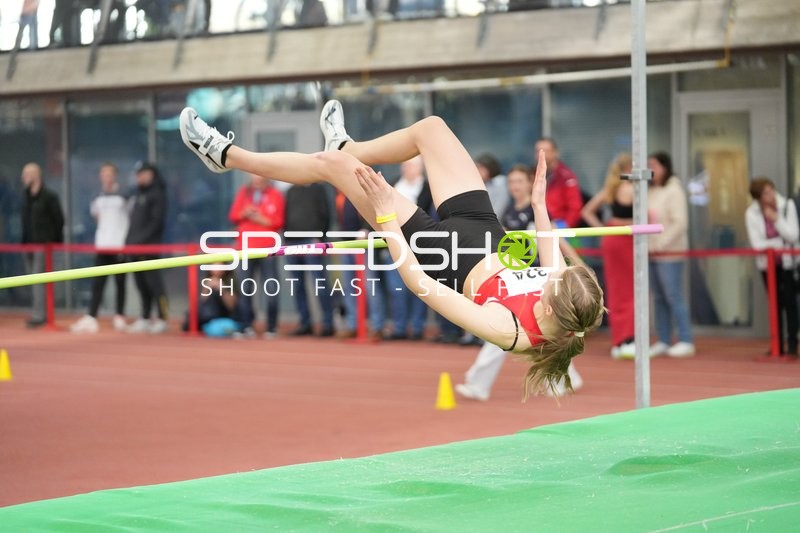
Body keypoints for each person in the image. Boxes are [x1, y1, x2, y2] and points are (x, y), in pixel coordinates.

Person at [180, 102, 605, 396]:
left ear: (549, 312)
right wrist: (538, 203)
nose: (555, 275)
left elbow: (420, 284)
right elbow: (550, 252)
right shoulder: (574, 301)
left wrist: (385, 218)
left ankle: (225, 154)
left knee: (332, 170)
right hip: (482, 226)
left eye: (557, 283)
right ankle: (347, 145)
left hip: (437, 252)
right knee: (431, 128)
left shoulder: (508, 328)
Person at [456, 164, 584, 401]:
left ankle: (478, 383)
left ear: (528, 184)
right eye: (511, 182)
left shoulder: (534, 211)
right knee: (537, 335)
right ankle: (567, 377)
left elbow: (554, 239)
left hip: (537, 279)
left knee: (508, 332)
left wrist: (577, 266)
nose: (515, 186)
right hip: (515, 278)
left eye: (519, 182)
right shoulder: (509, 211)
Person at [581, 153, 635, 359]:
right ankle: (628, 339)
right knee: (630, 289)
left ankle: (619, 340)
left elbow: (587, 211)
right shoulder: (630, 188)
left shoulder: (610, 188)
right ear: (628, 167)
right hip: (625, 238)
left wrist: (604, 229)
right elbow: (587, 211)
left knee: (616, 289)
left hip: (612, 237)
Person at [70, 163, 130, 334]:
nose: (107, 177)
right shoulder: (96, 196)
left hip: (119, 245)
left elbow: (129, 217)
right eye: (104, 174)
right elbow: (97, 218)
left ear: (115, 176)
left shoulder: (124, 195)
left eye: (110, 174)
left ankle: (119, 316)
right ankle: (92, 317)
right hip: (102, 244)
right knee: (98, 283)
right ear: (100, 177)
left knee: (120, 282)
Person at [745, 176, 799, 361]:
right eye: (766, 192)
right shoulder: (751, 213)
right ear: (758, 197)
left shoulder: (786, 205)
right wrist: (778, 243)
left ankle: (793, 344)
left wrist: (776, 220)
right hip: (766, 265)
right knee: (775, 304)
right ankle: (777, 345)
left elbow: (792, 235)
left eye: (772, 190)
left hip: (788, 263)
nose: (771, 195)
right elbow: (757, 244)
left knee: (791, 304)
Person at [647, 152, 694, 357]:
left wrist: (662, 243)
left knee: (673, 295)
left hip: (670, 253)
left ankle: (686, 339)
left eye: (654, 165)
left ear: (665, 167)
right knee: (658, 297)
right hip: (651, 253)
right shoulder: (650, 190)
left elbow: (680, 222)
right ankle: (664, 339)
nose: (651, 169)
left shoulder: (674, 190)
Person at [228, 173, 285, 338]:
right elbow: (233, 216)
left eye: (260, 178)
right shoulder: (243, 192)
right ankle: (245, 325)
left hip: (268, 248)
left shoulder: (276, 195)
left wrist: (260, 219)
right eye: (254, 178)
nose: (257, 181)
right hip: (245, 247)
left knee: (271, 287)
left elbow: (278, 221)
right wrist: (244, 213)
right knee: (244, 288)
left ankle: (271, 327)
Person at [283, 182, 335, 337]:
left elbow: (326, 213)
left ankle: (328, 323)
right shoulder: (291, 190)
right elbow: (286, 214)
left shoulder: (319, 188)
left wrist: (319, 237)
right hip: (291, 242)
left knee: (319, 283)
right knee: (297, 286)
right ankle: (305, 322)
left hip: (312, 241)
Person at [125, 162, 169, 335]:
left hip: (149, 248)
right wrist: (129, 243)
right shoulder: (138, 194)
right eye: (137, 174)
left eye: (142, 173)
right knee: (140, 284)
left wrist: (142, 242)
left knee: (155, 284)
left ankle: (162, 318)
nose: (139, 177)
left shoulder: (158, 194)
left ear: (151, 174)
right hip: (134, 248)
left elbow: (156, 223)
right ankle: (144, 317)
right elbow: (134, 223)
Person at [20, 162, 64, 328]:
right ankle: (40, 312)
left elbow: (59, 219)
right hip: (28, 245)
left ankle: (41, 315)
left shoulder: (49, 196)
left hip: (44, 245)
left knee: (40, 281)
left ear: (35, 175)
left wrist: (53, 241)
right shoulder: (25, 196)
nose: (23, 178)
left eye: (26, 174)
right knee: (33, 280)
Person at [534, 137, 584, 229]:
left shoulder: (566, 177)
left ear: (555, 152)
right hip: (537, 224)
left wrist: (562, 226)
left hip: (558, 228)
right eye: (538, 151)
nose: (540, 154)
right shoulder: (533, 174)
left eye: (545, 151)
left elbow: (575, 208)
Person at [474, 153, 508, 220]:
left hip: (493, 224)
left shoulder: (500, 183)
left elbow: (498, 212)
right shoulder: (480, 184)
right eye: (477, 168)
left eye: (481, 168)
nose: (477, 171)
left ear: (490, 168)